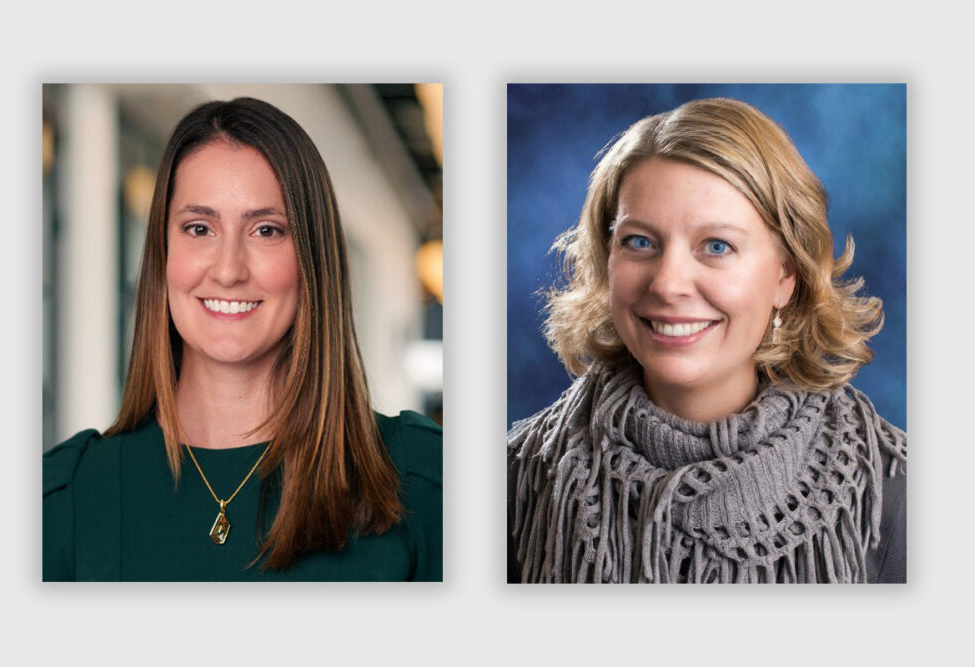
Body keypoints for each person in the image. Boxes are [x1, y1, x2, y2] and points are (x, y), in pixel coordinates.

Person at [508, 98, 906, 584]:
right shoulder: (512, 479)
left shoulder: (900, 491)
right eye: (639, 242)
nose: (668, 284)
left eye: (717, 246)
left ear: (788, 275)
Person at [44, 97, 442, 581]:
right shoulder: (66, 498)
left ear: (312, 262)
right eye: (199, 228)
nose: (229, 269)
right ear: (163, 253)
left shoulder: (423, 478)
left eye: (266, 230)